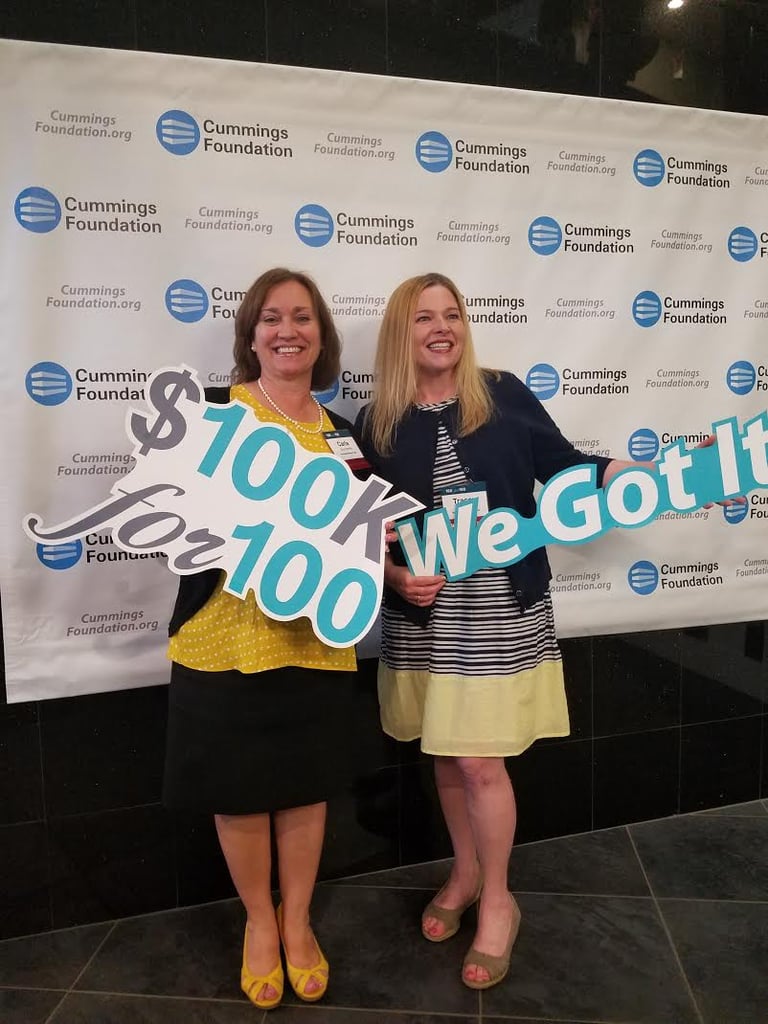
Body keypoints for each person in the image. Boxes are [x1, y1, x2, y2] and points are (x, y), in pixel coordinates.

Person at [354, 271, 657, 991]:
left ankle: (498, 901)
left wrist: (628, 470)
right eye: (425, 316)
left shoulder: (506, 393)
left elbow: (565, 467)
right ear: (402, 330)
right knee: (447, 753)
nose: (441, 327)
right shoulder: (373, 421)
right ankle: (462, 875)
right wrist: (393, 578)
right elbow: (356, 528)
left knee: (482, 764)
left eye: (451, 314)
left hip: (496, 605)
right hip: (422, 612)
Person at [163, 268, 360, 1010]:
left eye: (303, 317)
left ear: (321, 335)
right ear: (250, 335)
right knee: (239, 791)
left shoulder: (342, 439)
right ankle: (259, 923)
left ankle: (298, 920)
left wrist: (395, 576)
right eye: (272, 318)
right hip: (222, 636)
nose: (288, 330)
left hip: (313, 641)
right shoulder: (212, 415)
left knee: (305, 788)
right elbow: (175, 517)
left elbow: (361, 545)